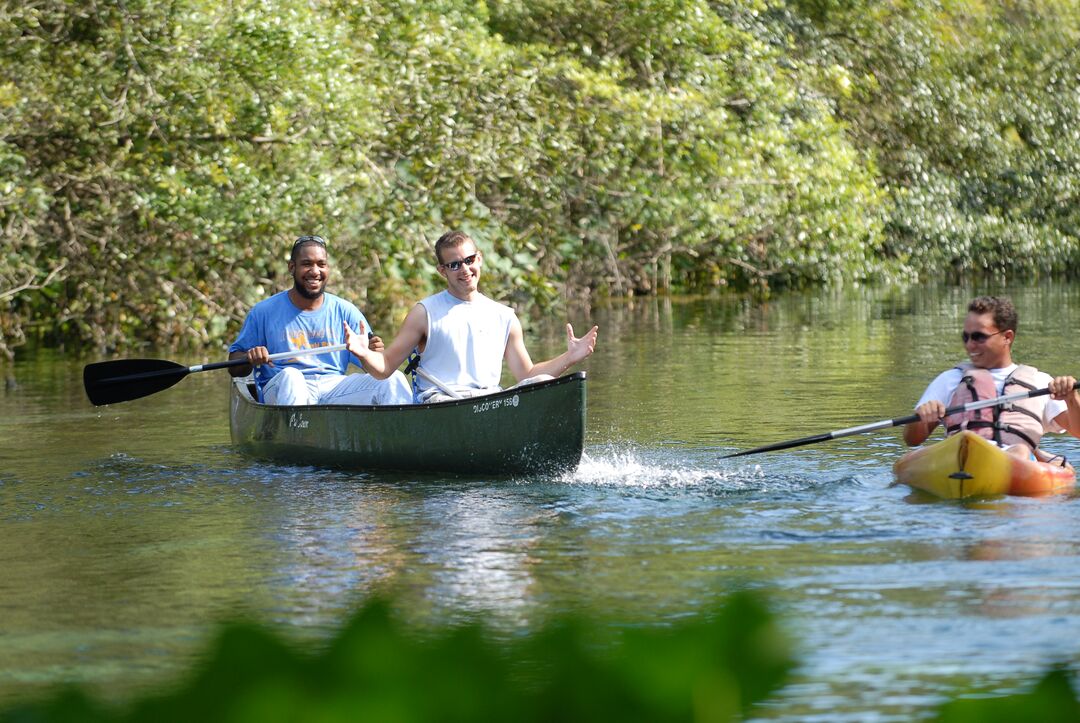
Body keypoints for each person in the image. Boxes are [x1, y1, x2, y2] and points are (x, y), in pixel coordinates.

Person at [343, 230, 598, 402]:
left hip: (489, 402)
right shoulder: (424, 313)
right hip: (441, 403)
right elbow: (385, 368)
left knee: (542, 381)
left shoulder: (504, 316)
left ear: (480, 259)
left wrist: (571, 357)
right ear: (442, 271)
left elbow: (526, 374)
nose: (464, 269)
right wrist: (363, 353)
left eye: (469, 260)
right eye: (454, 265)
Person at [228, 235, 413, 405]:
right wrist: (250, 357)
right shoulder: (263, 312)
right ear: (292, 268)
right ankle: (297, 439)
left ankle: (404, 438)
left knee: (393, 378)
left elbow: (376, 369)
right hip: (282, 386)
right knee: (293, 377)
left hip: (333, 387)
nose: (315, 271)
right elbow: (234, 367)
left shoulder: (346, 311)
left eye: (321, 264)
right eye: (307, 264)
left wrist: (371, 354)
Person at [903, 295, 1080, 459]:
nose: (970, 345)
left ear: (1007, 337)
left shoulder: (1040, 382)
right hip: (962, 455)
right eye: (966, 337)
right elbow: (912, 439)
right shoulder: (949, 380)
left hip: (1019, 461)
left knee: (1019, 450)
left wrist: (1071, 398)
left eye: (979, 337)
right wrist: (922, 418)